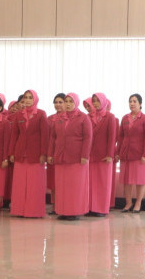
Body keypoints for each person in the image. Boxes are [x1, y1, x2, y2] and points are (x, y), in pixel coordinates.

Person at [47, 92, 92, 221]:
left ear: (76, 103)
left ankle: (74, 211)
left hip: (76, 158)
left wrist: (85, 155)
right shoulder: (60, 118)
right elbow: (53, 137)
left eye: (70, 101)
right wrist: (51, 153)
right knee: (61, 186)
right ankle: (62, 210)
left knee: (74, 186)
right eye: (66, 101)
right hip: (60, 157)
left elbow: (88, 138)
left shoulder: (83, 118)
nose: (68, 104)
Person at [9, 89, 48, 218]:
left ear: (35, 99)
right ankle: (19, 210)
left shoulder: (41, 114)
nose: (27, 100)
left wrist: (43, 153)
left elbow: (44, 135)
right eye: (26, 97)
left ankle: (34, 211)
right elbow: (14, 135)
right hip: (20, 153)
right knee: (19, 184)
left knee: (34, 184)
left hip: (35, 155)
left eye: (30, 97)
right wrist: (12, 152)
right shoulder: (19, 115)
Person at [116, 93, 145, 213]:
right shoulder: (125, 118)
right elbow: (120, 136)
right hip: (126, 154)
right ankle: (128, 203)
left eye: (134, 101)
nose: (132, 103)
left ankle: (138, 203)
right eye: (130, 101)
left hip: (139, 155)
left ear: (140, 104)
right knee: (126, 180)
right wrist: (119, 151)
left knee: (139, 180)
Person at [86, 92, 117, 217]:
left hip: (104, 155)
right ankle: (90, 207)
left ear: (103, 102)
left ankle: (101, 209)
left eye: (97, 100)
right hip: (90, 154)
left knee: (103, 182)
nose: (95, 103)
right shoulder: (88, 116)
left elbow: (112, 137)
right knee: (91, 182)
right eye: (93, 101)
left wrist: (110, 154)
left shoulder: (110, 117)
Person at [47, 93, 65, 211]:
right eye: (56, 102)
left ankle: (63, 204)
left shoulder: (68, 118)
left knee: (63, 181)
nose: (58, 105)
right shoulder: (49, 118)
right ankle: (54, 205)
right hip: (51, 153)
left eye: (60, 102)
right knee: (53, 181)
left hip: (63, 154)